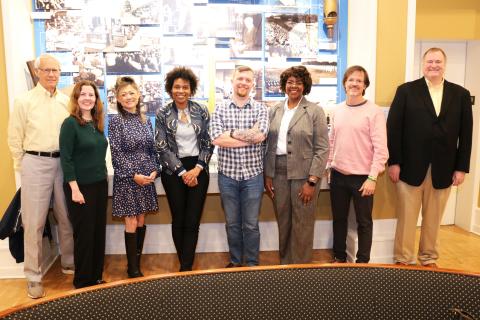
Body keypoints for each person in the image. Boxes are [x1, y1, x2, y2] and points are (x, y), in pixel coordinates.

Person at [387, 48, 473, 267]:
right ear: (422, 64)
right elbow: (394, 129)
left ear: (445, 64)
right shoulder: (406, 91)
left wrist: (461, 167)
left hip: (444, 167)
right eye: (429, 61)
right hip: (409, 167)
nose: (434, 65)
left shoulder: (460, 94)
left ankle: (428, 258)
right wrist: (394, 162)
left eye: (438, 61)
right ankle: (404, 258)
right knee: (407, 218)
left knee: (434, 219)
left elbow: (466, 134)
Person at [7, 54, 74, 299]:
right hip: (34, 162)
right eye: (46, 70)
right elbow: (14, 138)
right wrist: (23, 165)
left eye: (55, 70)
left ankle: (68, 261)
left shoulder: (66, 102)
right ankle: (33, 277)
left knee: (66, 216)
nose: (51, 74)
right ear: (37, 72)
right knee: (33, 223)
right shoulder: (24, 101)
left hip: (62, 163)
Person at [264, 66, 329, 264]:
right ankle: (285, 265)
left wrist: (312, 181)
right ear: (284, 85)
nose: (294, 86)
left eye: (298, 82)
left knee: (303, 222)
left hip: (305, 175)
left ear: (305, 86)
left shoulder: (315, 111)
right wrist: (268, 175)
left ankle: (300, 268)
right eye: (290, 82)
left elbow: (322, 149)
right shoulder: (274, 110)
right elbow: (268, 144)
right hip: (278, 172)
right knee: (283, 221)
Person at [327, 66, 389, 263]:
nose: (354, 84)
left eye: (359, 81)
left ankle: (362, 263)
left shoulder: (374, 111)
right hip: (338, 175)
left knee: (364, 222)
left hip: (363, 178)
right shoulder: (337, 109)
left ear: (365, 85)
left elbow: (381, 150)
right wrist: (329, 166)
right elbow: (331, 141)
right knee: (339, 220)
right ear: (345, 83)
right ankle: (339, 257)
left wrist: (372, 178)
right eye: (351, 80)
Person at [155, 67, 213, 272]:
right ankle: (184, 263)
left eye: (185, 87)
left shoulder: (201, 110)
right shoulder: (162, 113)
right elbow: (161, 146)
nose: (181, 90)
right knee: (178, 218)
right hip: (173, 172)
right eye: (177, 87)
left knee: (192, 219)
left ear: (191, 89)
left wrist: (197, 169)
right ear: (170, 89)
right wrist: (182, 172)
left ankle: (186, 266)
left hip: (198, 169)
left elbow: (208, 143)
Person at [210, 65, 269, 267]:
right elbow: (217, 139)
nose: (243, 82)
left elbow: (260, 135)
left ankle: (252, 263)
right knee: (233, 224)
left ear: (253, 84)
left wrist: (231, 134)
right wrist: (247, 136)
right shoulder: (219, 108)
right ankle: (235, 262)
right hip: (228, 176)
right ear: (232, 81)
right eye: (240, 78)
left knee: (251, 225)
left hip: (253, 176)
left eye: (248, 80)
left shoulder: (261, 108)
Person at [108, 76, 159, 278]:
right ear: (118, 99)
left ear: (138, 95)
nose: (128, 97)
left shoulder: (145, 120)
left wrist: (155, 170)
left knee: (140, 220)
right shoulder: (116, 122)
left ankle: (136, 261)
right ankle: (133, 268)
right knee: (130, 222)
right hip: (128, 179)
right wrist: (133, 175)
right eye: (123, 95)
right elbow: (116, 154)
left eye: (131, 93)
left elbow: (153, 150)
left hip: (147, 178)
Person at [59, 80, 108, 288]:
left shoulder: (96, 124)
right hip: (81, 188)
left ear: (96, 99)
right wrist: (75, 189)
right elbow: (66, 159)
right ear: (76, 99)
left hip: (99, 185)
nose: (88, 98)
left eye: (91, 95)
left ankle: (95, 277)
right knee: (84, 236)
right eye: (83, 94)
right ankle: (82, 282)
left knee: (98, 233)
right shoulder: (70, 124)